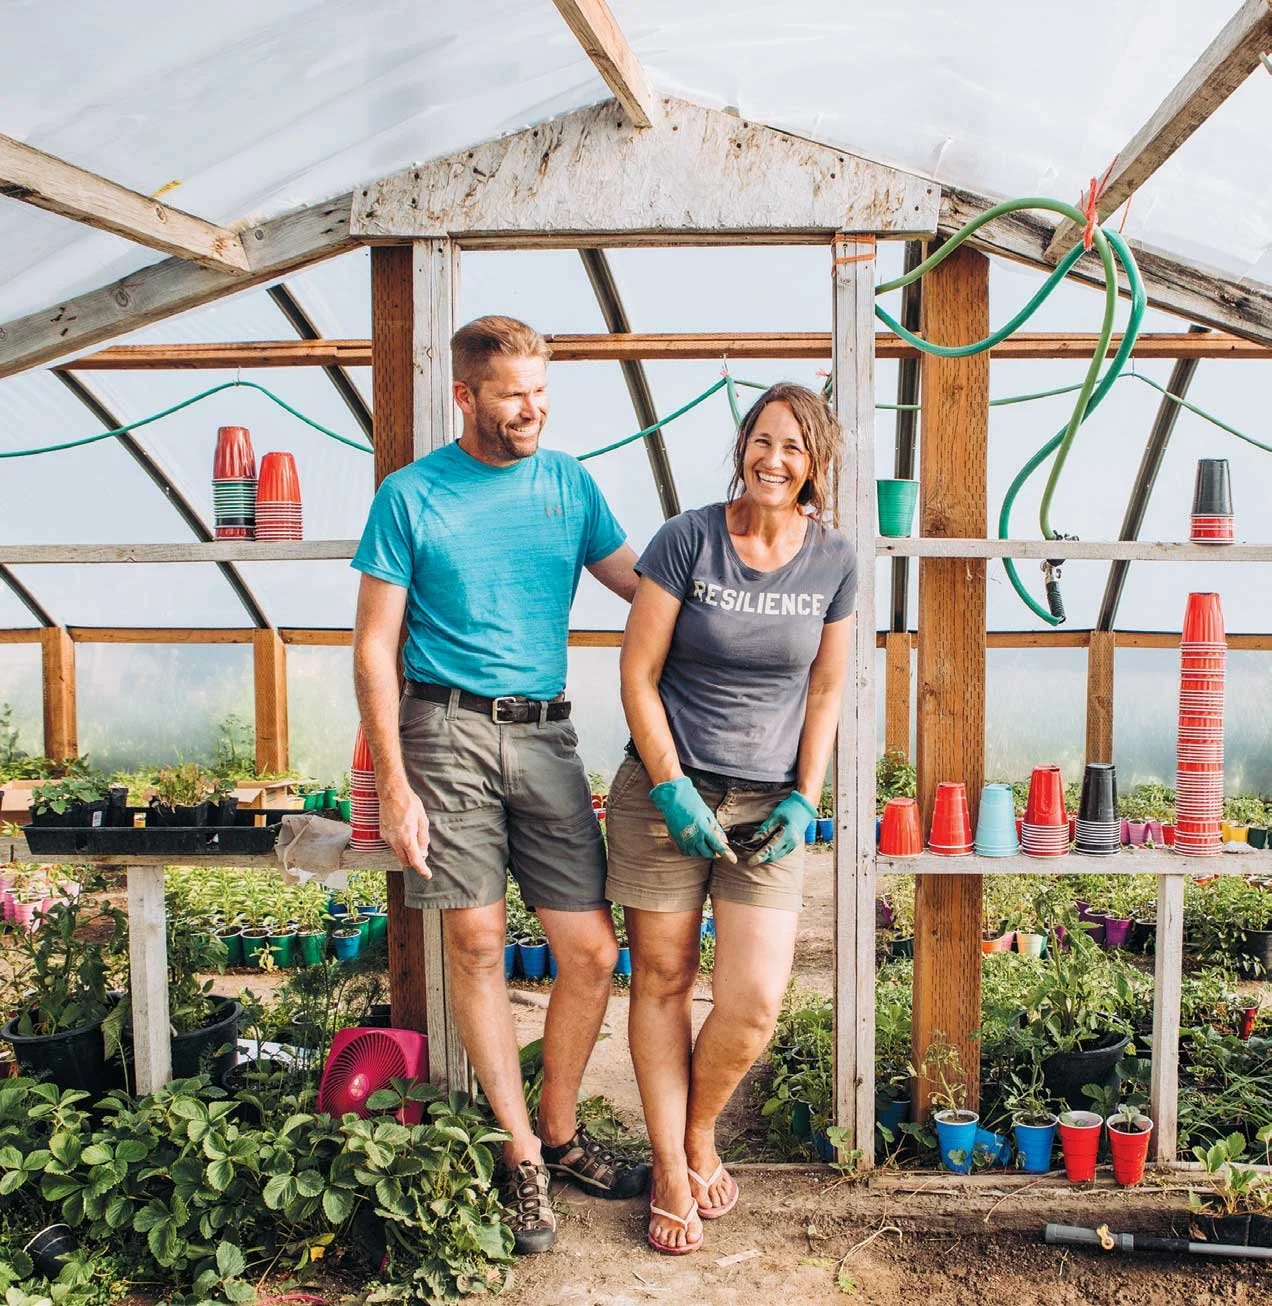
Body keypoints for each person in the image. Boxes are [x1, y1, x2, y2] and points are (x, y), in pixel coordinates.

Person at [351, 315, 648, 1255]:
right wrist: (395, 785)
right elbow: (371, 648)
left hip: (547, 732)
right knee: (476, 941)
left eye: (542, 391)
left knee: (592, 952)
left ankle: (559, 1129)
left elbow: (643, 586)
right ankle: (522, 1156)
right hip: (443, 729)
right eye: (515, 394)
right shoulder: (410, 495)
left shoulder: (569, 483)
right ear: (466, 397)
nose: (533, 409)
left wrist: (756, 570)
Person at [606, 382, 857, 1254]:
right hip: (665, 787)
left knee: (753, 1001)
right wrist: (671, 785)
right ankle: (671, 1167)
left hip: (765, 803)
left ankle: (698, 1127)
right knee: (664, 979)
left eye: (793, 446)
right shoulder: (688, 539)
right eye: (761, 439)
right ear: (741, 446)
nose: (773, 459)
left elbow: (825, 689)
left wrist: (806, 796)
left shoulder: (834, 559)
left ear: (815, 464)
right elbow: (637, 674)